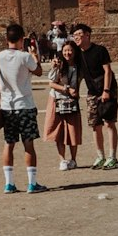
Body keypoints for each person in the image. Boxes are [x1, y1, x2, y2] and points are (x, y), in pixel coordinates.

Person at [0, 24, 48, 194]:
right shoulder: (25, 57)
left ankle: (9, 183)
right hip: (25, 105)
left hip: (6, 106)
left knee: (8, 144)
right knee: (28, 144)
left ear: (6, 39)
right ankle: (32, 183)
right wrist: (35, 56)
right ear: (22, 39)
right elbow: (39, 71)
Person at [71, 22, 118, 169]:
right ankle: (100, 156)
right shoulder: (78, 54)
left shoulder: (99, 50)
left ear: (87, 35)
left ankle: (112, 157)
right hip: (92, 92)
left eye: (79, 34)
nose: (77, 38)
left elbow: (107, 71)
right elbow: (77, 74)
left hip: (107, 89)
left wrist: (106, 90)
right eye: (74, 36)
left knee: (109, 123)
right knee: (95, 125)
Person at [44, 39, 83, 170]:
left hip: (72, 101)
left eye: (70, 50)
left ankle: (74, 159)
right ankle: (62, 160)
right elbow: (51, 83)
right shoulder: (59, 65)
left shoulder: (79, 66)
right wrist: (66, 89)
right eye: (65, 50)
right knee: (59, 131)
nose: (68, 53)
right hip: (57, 100)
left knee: (73, 130)